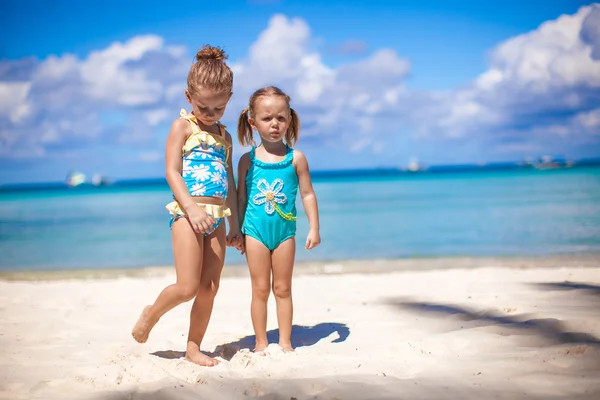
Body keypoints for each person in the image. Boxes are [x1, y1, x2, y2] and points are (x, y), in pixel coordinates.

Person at [132, 45, 242, 367]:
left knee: (209, 287)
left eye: (218, 107)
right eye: (203, 106)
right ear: (188, 96)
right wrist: (192, 209)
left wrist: (235, 226)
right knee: (187, 286)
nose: (209, 113)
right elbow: (172, 171)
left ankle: (193, 347)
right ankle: (151, 313)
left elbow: (231, 184)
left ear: (229, 99)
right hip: (187, 213)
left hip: (218, 216)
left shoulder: (225, 136)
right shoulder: (183, 127)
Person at [236, 86, 321, 354]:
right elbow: (240, 199)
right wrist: (237, 231)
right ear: (253, 122)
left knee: (283, 288)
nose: (275, 124)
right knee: (260, 289)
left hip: (285, 233)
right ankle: (261, 342)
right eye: (267, 118)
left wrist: (314, 228)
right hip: (255, 232)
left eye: (281, 118)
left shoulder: (296, 158)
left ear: (290, 120)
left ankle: (285, 342)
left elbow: (307, 194)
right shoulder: (246, 161)